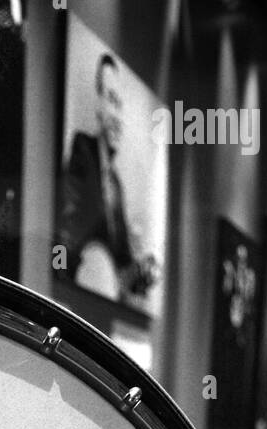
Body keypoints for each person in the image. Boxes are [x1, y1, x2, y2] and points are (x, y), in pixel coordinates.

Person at [57, 52, 158, 301]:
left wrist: (141, 270)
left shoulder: (116, 185)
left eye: (121, 105)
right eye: (112, 100)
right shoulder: (82, 151)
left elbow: (123, 265)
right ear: (98, 105)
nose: (118, 117)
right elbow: (69, 234)